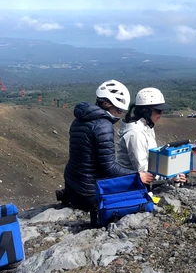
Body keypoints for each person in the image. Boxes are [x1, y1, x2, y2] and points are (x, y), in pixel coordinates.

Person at [60, 79, 154, 212]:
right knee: (142, 196)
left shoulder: (79, 119)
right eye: (118, 109)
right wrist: (138, 176)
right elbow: (109, 168)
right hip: (90, 194)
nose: (120, 113)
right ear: (106, 104)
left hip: (72, 187)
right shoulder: (103, 125)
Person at [117, 87, 186, 185]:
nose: (161, 114)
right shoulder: (135, 134)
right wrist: (170, 176)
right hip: (131, 186)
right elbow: (143, 171)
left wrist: (173, 174)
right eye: (158, 111)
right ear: (146, 111)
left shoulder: (147, 128)